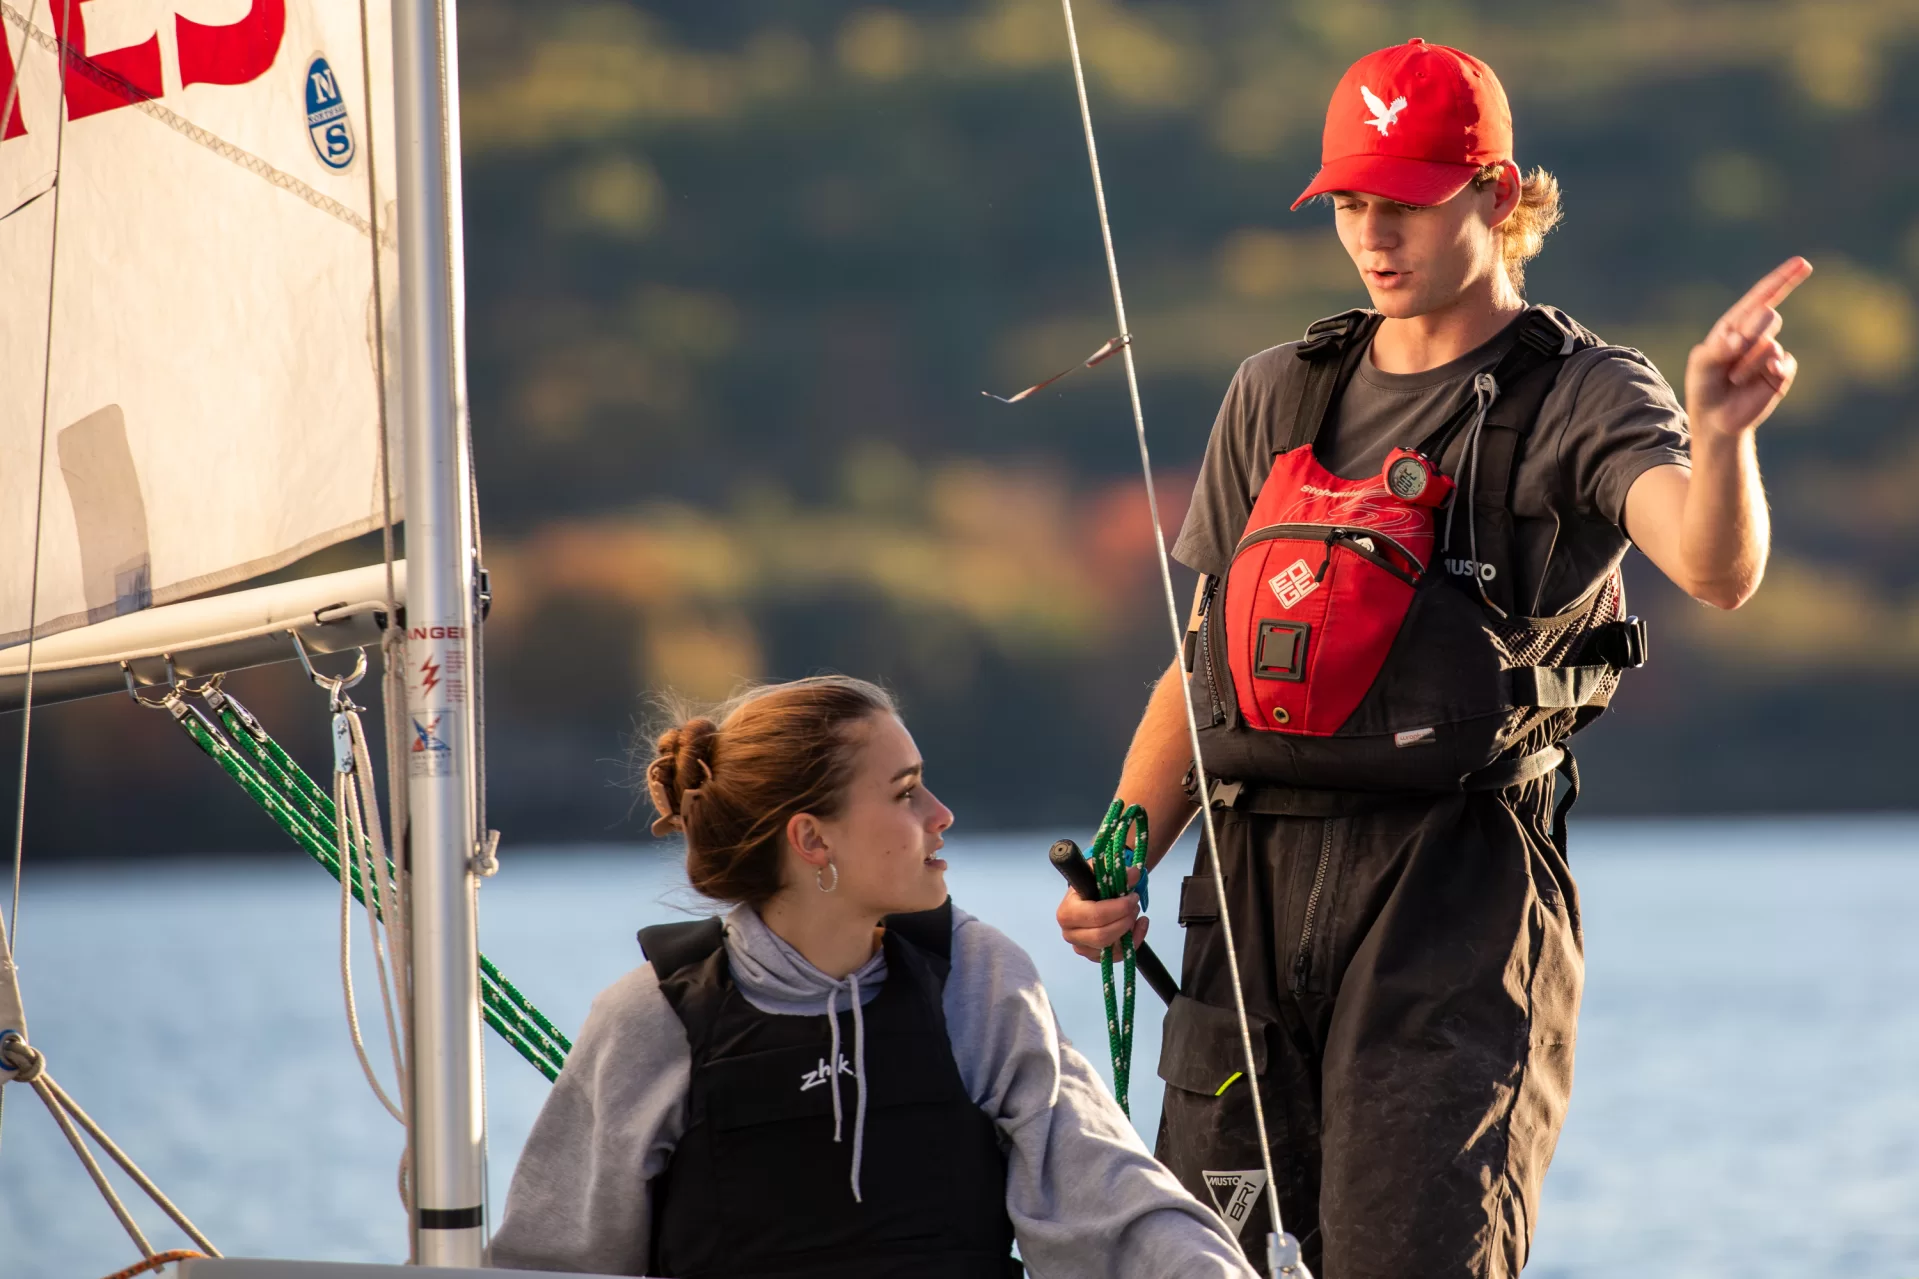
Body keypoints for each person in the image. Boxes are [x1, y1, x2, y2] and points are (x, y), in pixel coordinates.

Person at [1054, 37, 1808, 1279]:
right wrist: (1123, 848)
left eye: (1404, 201)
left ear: (1496, 196)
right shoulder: (1274, 392)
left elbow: (1714, 567)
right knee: (1202, 1262)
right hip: (1243, 901)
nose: (1371, 233)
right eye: (1350, 202)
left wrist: (1721, 437)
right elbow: (1203, 661)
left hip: (1449, 909)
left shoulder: (1581, 391)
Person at [492, 674, 1257, 1278]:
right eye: (905, 791)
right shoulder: (650, 1018)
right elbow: (553, 1263)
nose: (941, 813)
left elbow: (1112, 1198)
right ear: (811, 839)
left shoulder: (975, 981)